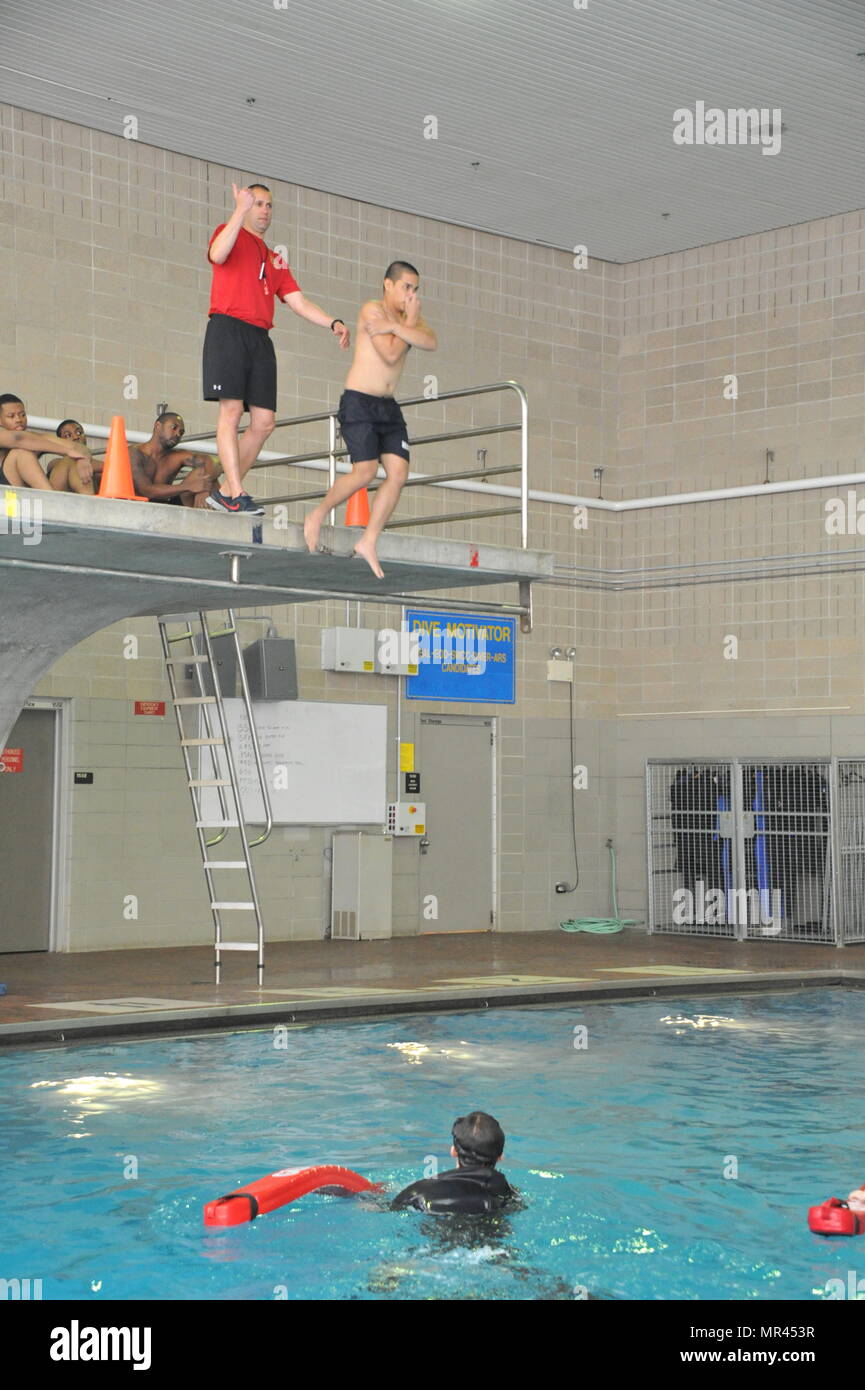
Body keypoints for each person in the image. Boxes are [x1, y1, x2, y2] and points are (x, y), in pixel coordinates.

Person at [203, 182, 350, 515]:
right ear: (246, 206)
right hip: (228, 328)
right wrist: (238, 211)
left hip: (260, 337)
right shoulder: (229, 233)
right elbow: (217, 255)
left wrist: (332, 322)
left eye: (269, 205)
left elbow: (297, 302)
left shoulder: (275, 259)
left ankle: (225, 491)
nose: (265, 210)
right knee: (231, 411)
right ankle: (237, 491)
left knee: (264, 422)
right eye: (258, 204)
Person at [304, 260, 437, 578]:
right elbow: (391, 354)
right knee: (364, 472)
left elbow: (432, 342)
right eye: (407, 287)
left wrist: (401, 326)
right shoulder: (372, 312)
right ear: (388, 284)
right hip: (360, 402)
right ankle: (318, 514)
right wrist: (407, 325)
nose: (411, 295)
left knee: (398, 472)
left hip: (388, 408)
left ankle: (369, 540)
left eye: (416, 290)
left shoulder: (407, 320)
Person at [391, 1111, 515, 1214]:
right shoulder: (507, 1193)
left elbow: (389, 1209)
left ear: (453, 1151)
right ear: (500, 1157)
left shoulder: (420, 1190)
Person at [128, 412, 220, 506]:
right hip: (138, 506)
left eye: (181, 432)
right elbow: (146, 490)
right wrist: (188, 486)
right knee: (201, 478)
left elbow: (214, 462)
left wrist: (205, 487)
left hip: (167, 505)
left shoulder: (177, 455)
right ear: (158, 426)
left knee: (204, 471)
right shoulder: (134, 453)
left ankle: (213, 518)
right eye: (173, 427)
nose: (177, 434)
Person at [0, 397, 93, 489]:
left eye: (22, 415)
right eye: (11, 416)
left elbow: (79, 447)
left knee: (70, 461)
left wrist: (83, 460)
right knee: (21, 453)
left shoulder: (36, 438)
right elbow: (18, 439)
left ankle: (89, 500)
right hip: (4, 496)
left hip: (25, 498)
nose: (18, 420)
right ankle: (50, 498)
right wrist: (68, 451)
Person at [45, 419, 97, 494]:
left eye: (79, 432)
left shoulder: (96, 470)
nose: (76, 437)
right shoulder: (55, 463)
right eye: (68, 435)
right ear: (60, 442)